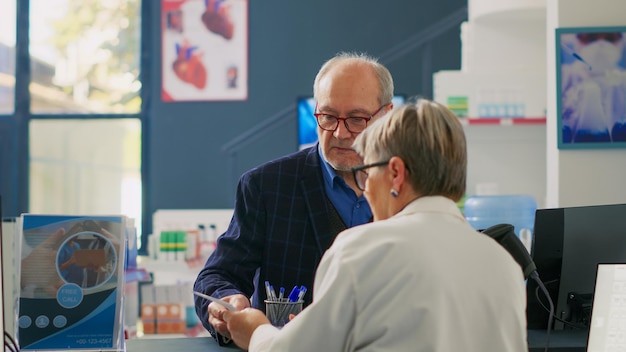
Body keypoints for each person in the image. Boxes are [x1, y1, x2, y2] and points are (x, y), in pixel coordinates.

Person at [222, 100, 529, 351]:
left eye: (367, 172)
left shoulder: (361, 250)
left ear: (395, 173)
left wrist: (256, 332)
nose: (365, 189)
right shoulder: (505, 265)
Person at [193, 52, 395, 343]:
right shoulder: (266, 186)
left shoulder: (408, 188)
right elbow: (218, 275)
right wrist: (225, 302)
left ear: (386, 114)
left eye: (356, 119)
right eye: (327, 116)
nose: (339, 132)